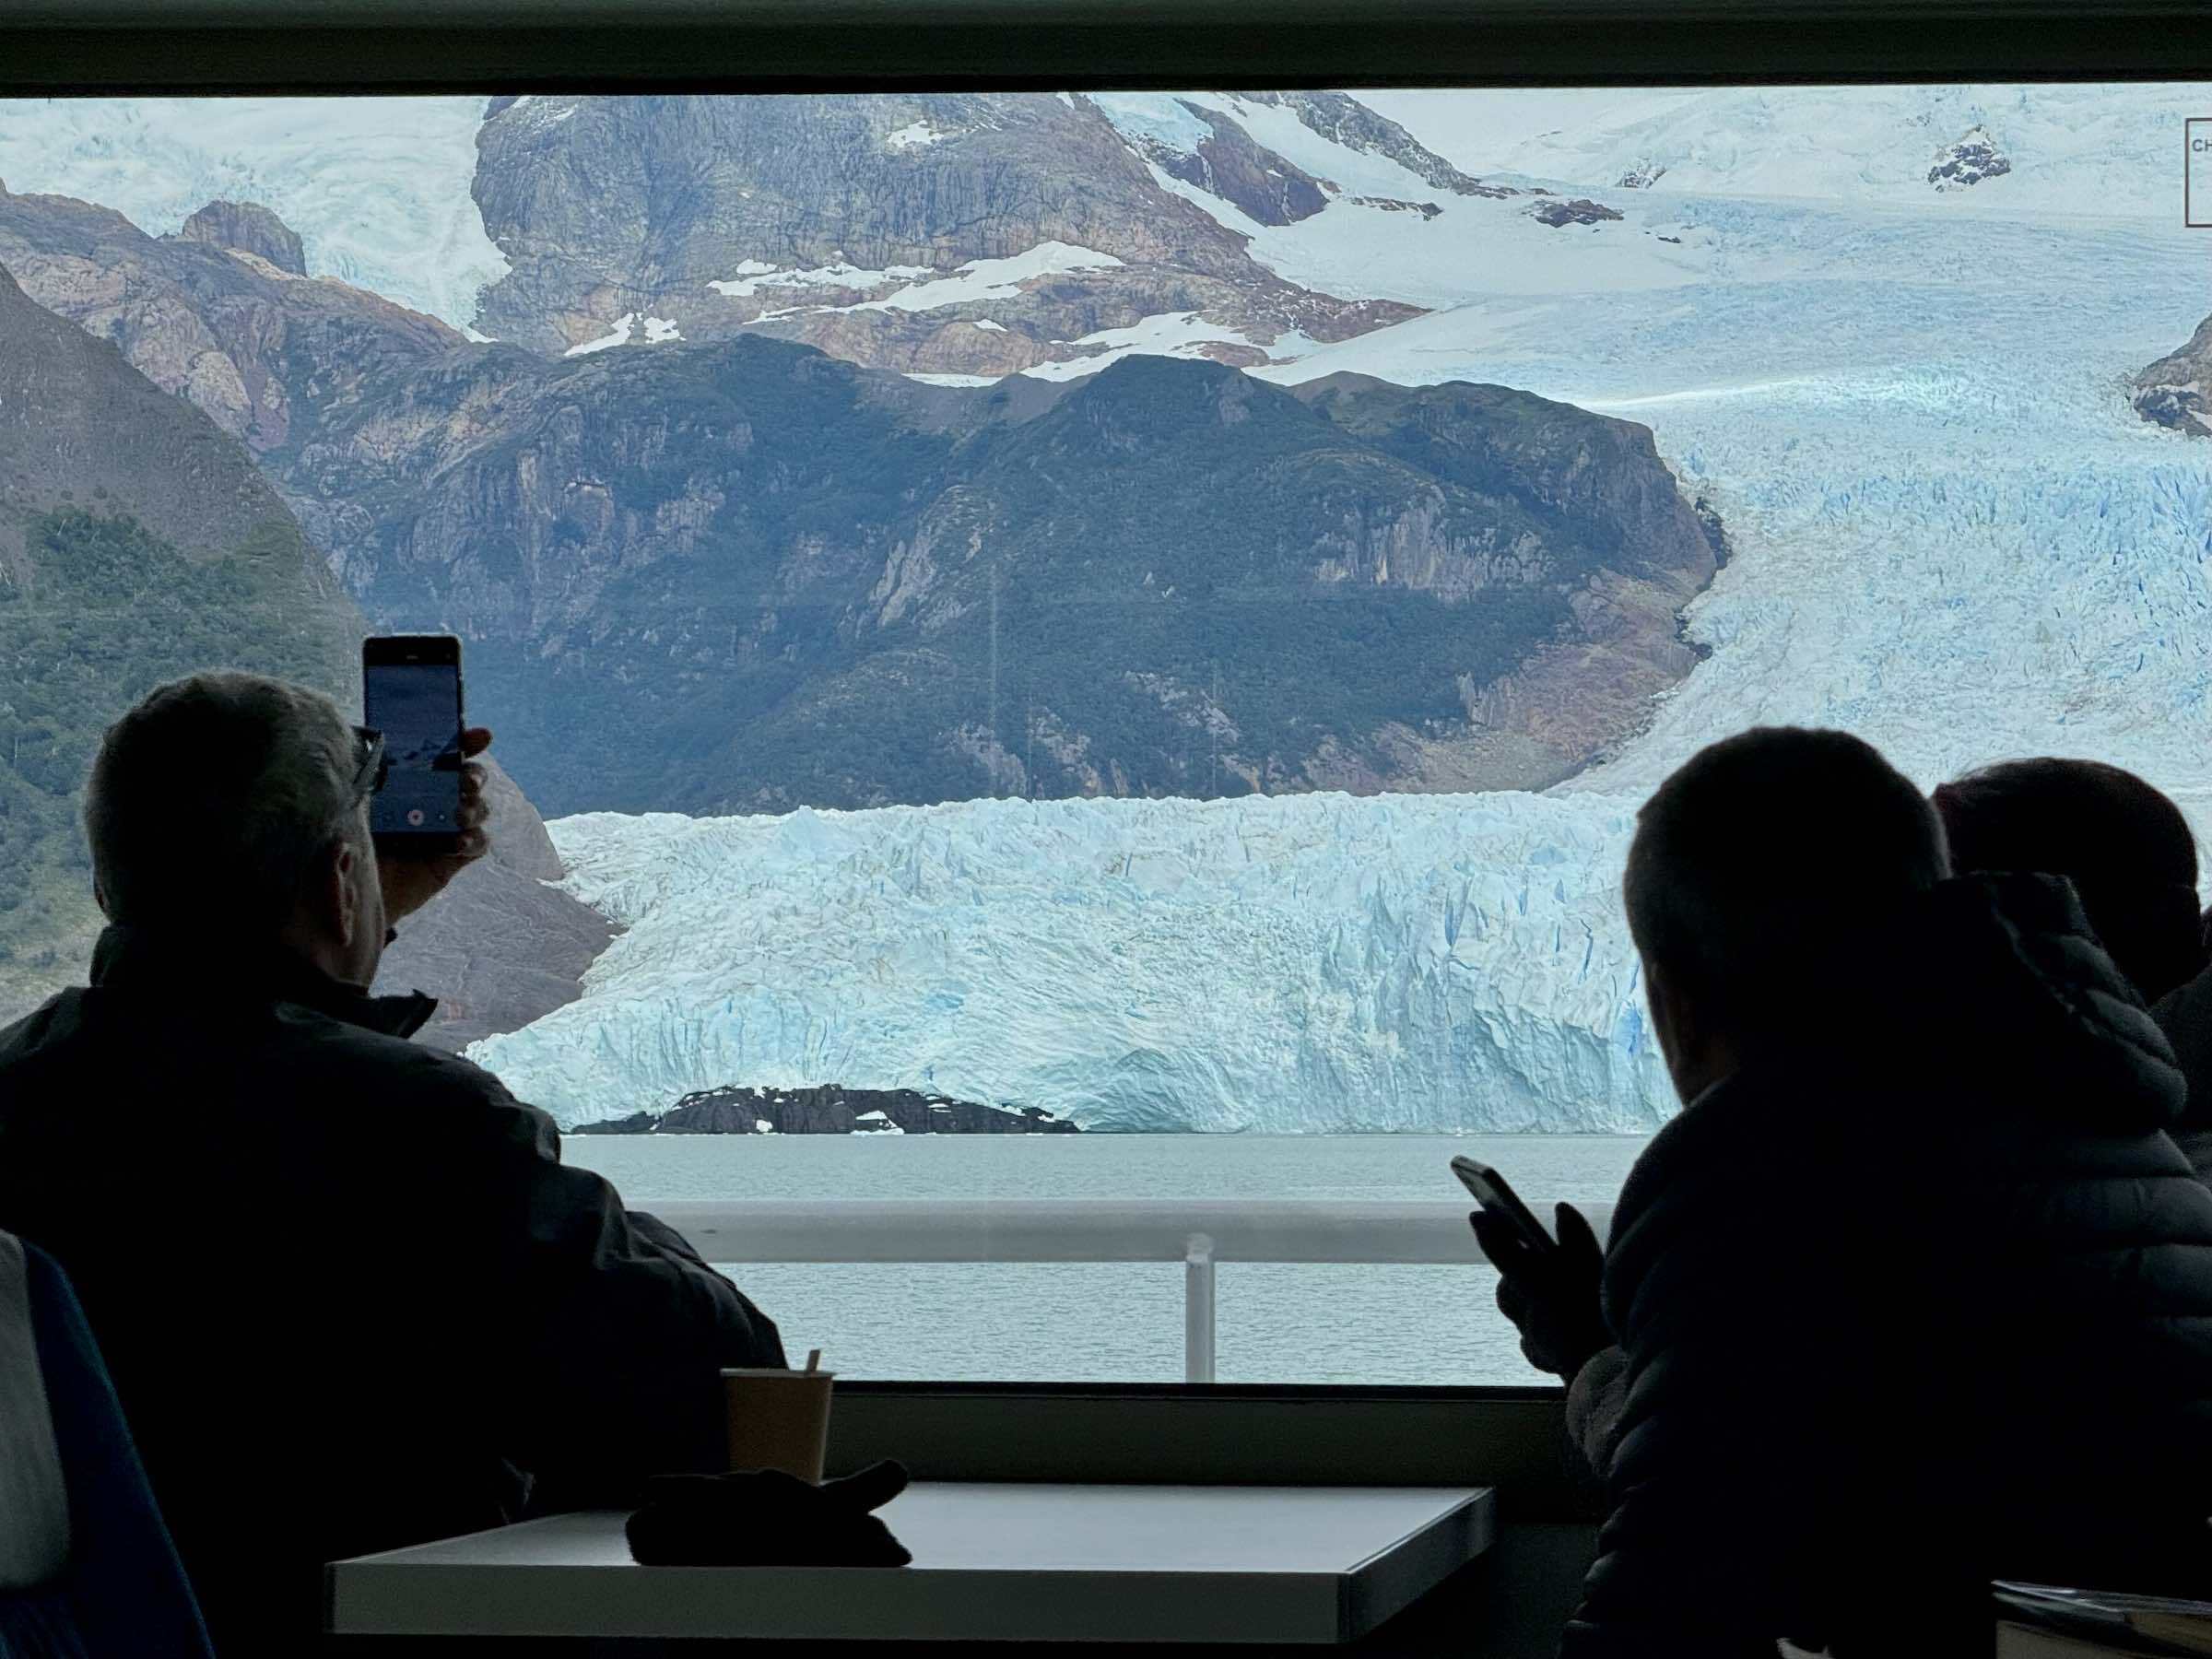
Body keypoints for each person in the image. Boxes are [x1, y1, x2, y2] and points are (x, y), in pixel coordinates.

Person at [0, 672, 785, 1658]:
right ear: (337, 879)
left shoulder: (15, 1099)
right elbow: (718, 1384)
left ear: (110, 886)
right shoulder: (421, 1130)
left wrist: (349, 921)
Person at [1483, 727, 2212, 1657]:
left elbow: (1670, 1600)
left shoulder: (1771, 1169)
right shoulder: (2124, 1130)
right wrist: (1596, 1354)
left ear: (1676, 993)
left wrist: (1591, 1348)